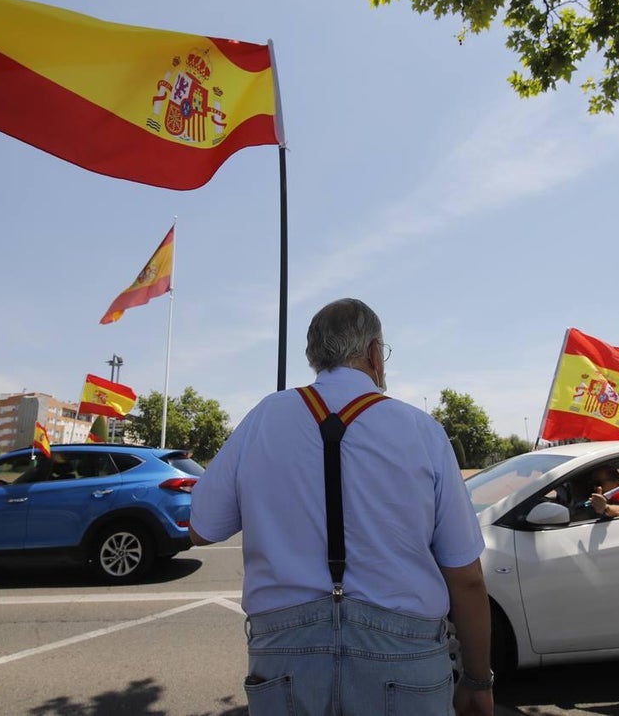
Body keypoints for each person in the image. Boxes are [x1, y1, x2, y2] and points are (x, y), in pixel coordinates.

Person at [190, 298, 493, 716]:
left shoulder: (263, 417)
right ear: (373, 353)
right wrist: (477, 679)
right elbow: (467, 578)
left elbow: (202, 527)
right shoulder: (421, 431)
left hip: (285, 651)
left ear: (315, 356)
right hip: (403, 653)